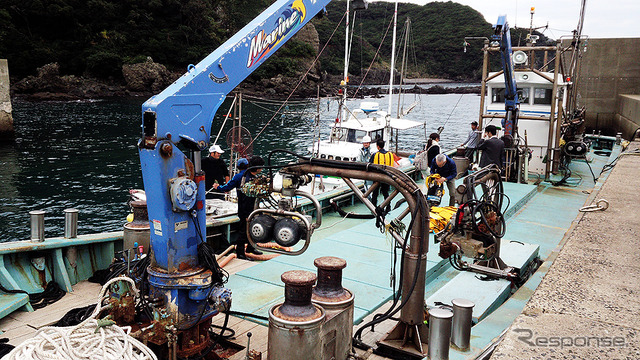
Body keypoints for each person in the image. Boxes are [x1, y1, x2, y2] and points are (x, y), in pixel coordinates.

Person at [229, 156, 265, 260]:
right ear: (257, 168)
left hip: (253, 208)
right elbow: (245, 199)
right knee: (243, 232)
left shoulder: (253, 177)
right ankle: (240, 253)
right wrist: (246, 214)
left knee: (254, 228)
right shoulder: (246, 178)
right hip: (245, 210)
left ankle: (251, 247)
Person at [370, 139, 396, 212]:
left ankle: (373, 207)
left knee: (375, 193)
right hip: (387, 177)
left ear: (377, 146)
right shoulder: (390, 154)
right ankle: (388, 207)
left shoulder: (375, 155)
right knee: (385, 192)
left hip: (377, 177)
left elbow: (370, 164)